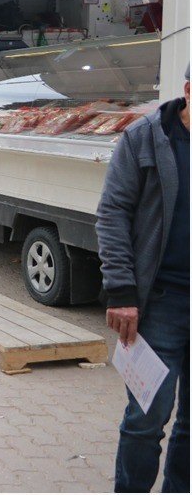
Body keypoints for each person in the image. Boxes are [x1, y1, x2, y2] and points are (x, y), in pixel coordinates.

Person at [96, 63, 189, 493]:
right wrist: (121, 290)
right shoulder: (145, 138)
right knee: (147, 418)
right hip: (161, 303)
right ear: (188, 90)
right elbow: (112, 214)